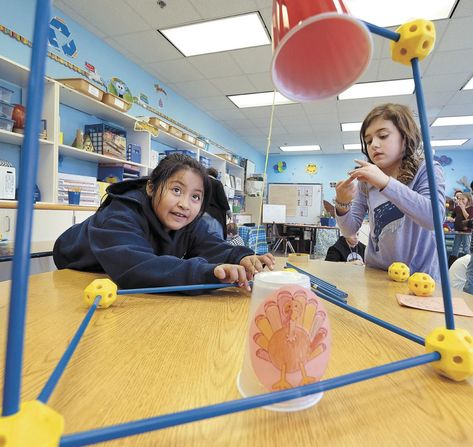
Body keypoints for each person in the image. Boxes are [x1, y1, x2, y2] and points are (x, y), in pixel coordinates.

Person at [53, 154, 275, 291]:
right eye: (176, 190)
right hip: (74, 273)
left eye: (195, 197)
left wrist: (242, 257)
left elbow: (211, 245)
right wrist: (208, 272)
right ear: (151, 187)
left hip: (111, 274)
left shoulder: (188, 220)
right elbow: (137, 267)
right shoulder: (120, 214)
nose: (185, 204)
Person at [334, 103, 445, 281]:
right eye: (368, 141)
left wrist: (385, 182)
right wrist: (342, 203)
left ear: (405, 137)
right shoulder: (366, 180)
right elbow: (349, 229)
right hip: (377, 274)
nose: (374, 145)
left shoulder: (427, 169)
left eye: (383, 136)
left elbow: (434, 219)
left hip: (419, 278)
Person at [203, 167, 231, 239]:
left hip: (202, 211)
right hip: (215, 213)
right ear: (216, 175)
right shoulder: (217, 183)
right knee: (217, 235)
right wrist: (228, 211)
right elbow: (222, 199)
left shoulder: (202, 182)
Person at [449, 192, 473, 266]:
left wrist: (463, 208)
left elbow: (469, 219)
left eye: (463, 199)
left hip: (467, 233)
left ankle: (467, 265)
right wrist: (451, 219)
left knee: (466, 249)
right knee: (455, 249)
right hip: (458, 232)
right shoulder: (457, 208)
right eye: (460, 199)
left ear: (468, 200)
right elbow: (452, 216)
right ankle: (451, 265)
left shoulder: (471, 208)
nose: (461, 200)